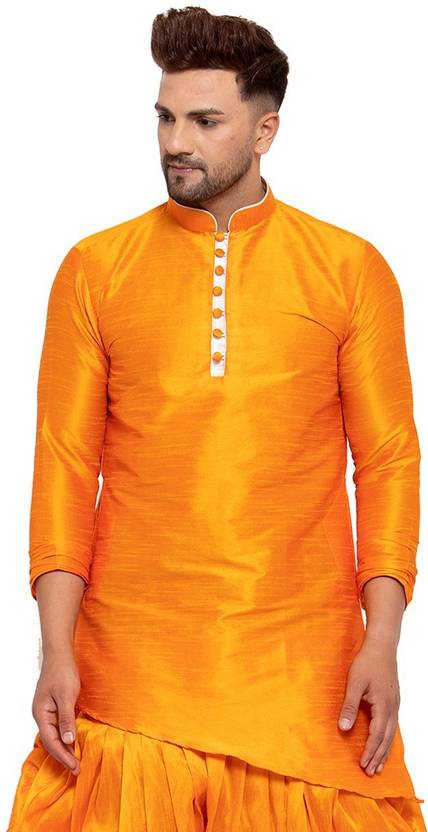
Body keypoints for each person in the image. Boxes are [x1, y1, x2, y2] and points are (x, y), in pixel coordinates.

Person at [7, 6, 426, 831]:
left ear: (265, 130)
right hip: (131, 677)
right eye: (164, 117)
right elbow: (64, 464)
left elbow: (387, 462)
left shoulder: (349, 270)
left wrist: (383, 639)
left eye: (204, 121)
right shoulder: (95, 270)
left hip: (303, 677)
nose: (175, 141)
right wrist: (55, 648)